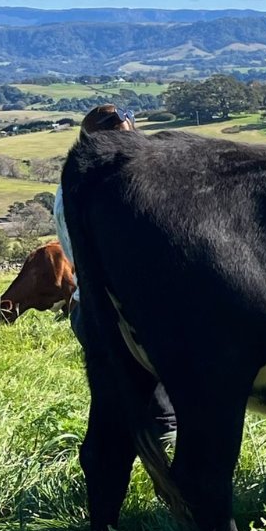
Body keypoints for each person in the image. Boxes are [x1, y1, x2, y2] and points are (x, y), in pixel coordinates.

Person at [56, 105, 177, 449]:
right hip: (121, 313)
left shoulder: (72, 189)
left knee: (117, 399)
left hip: (88, 308)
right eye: (121, 143)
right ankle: (161, 474)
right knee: (159, 407)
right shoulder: (109, 193)